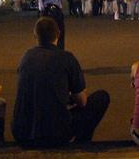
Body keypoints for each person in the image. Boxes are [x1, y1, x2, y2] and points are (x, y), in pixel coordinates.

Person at [12, 17, 109, 147]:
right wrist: (67, 98)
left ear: (35, 35)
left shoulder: (26, 57)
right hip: (54, 134)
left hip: (22, 132)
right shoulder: (66, 58)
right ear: (58, 34)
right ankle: (82, 143)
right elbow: (82, 101)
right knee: (101, 98)